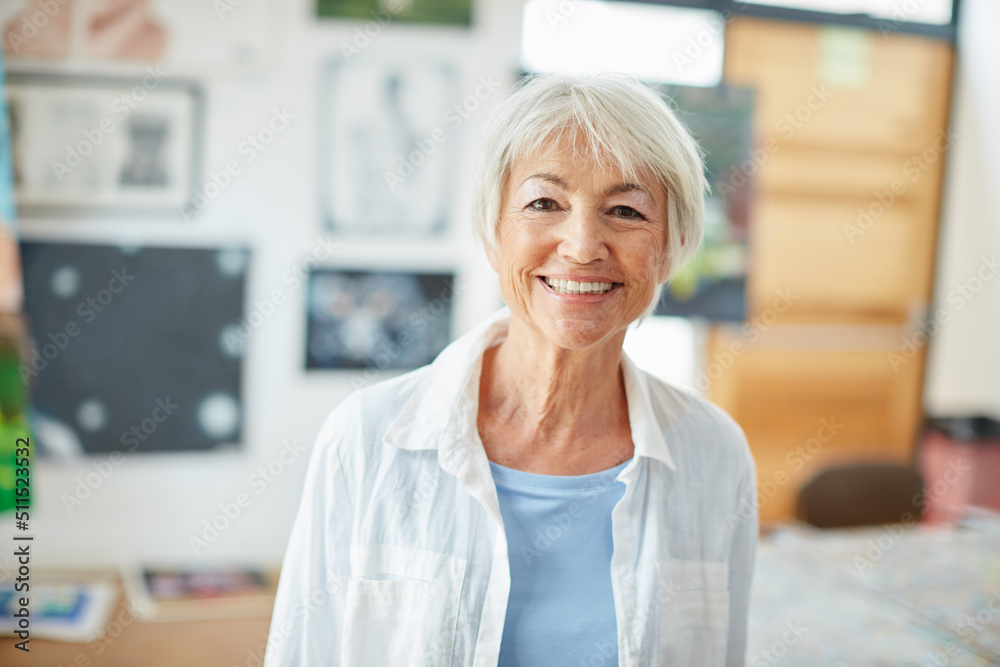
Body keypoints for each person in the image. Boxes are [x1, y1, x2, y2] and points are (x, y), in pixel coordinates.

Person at [264, 72, 758, 667]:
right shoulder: (366, 439)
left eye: (626, 210)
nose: (581, 245)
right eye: (544, 203)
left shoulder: (714, 454)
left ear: (671, 246)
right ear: (494, 232)